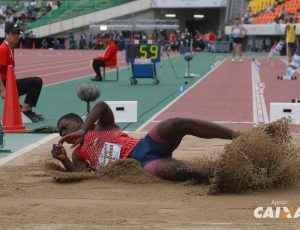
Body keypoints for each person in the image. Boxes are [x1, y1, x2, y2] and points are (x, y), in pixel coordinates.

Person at [51, 101, 239, 182]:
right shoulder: (78, 154)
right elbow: (81, 175)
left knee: (177, 123)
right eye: (60, 132)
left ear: (78, 122)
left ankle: (237, 136)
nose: (62, 134)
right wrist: (64, 159)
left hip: (146, 145)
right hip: (142, 165)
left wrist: (84, 131)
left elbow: (102, 106)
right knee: (187, 170)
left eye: (64, 128)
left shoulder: (101, 126)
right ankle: (238, 174)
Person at [0, 21, 44, 122]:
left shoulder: (10, 47)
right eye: (13, 33)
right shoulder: (3, 49)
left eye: (18, 33)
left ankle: (26, 111)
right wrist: (2, 90)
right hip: (4, 84)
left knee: (36, 81)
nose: (17, 36)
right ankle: (25, 111)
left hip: (9, 83)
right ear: (6, 34)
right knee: (36, 81)